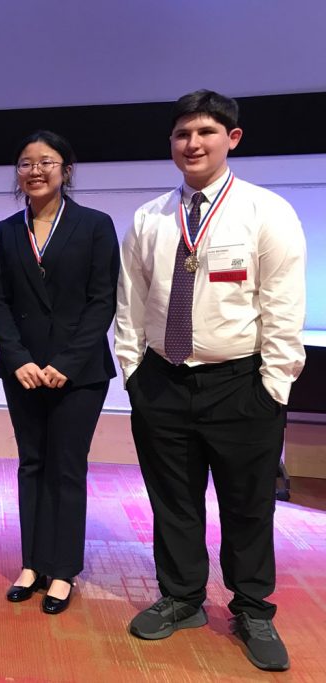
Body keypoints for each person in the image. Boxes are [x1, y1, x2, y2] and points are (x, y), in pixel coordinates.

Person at [115, 90, 305, 671]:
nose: (192, 144)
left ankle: (251, 608)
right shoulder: (150, 217)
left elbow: (282, 306)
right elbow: (131, 304)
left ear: (232, 139)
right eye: (181, 135)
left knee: (248, 505)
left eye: (204, 132)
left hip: (240, 384)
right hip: (163, 383)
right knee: (173, 500)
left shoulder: (265, 211)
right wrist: (134, 374)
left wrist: (273, 386)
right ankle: (182, 597)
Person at [0, 131, 119, 615]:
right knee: (31, 464)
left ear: (66, 170)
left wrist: (65, 363)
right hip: (21, 372)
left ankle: (62, 570)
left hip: (78, 374)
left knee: (66, 468)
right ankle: (32, 563)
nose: (35, 170)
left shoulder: (95, 225)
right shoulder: (5, 231)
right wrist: (18, 358)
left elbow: (102, 299)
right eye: (25, 163)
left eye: (46, 162)